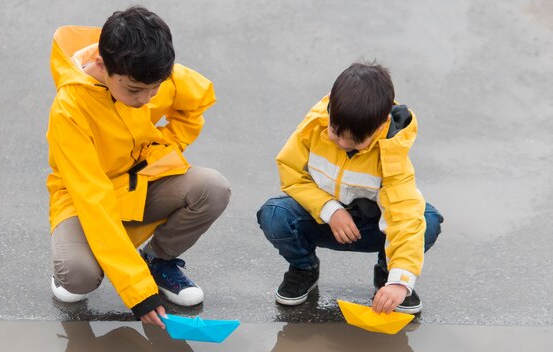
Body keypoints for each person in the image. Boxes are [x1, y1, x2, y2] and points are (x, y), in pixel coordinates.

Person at [46, 6, 231, 329]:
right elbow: (93, 198)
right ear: (103, 65)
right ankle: (104, 263)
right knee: (78, 278)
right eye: (134, 90)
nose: (146, 99)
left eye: (155, 89)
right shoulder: (69, 110)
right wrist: (138, 293)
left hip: (139, 181)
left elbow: (195, 103)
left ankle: (157, 260)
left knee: (212, 188)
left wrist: (160, 150)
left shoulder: (148, 69)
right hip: (82, 201)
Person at [256, 62, 443, 314]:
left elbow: (404, 214)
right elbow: (291, 174)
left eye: (354, 141)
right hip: (322, 221)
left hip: (374, 228)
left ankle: (388, 276)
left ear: (380, 126)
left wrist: (401, 281)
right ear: (331, 108)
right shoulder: (314, 126)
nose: (341, 142)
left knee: (426, 219)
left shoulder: (391, 152)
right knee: (275, 213)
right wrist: (329, 209)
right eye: (335, 131)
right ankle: (304, 268)